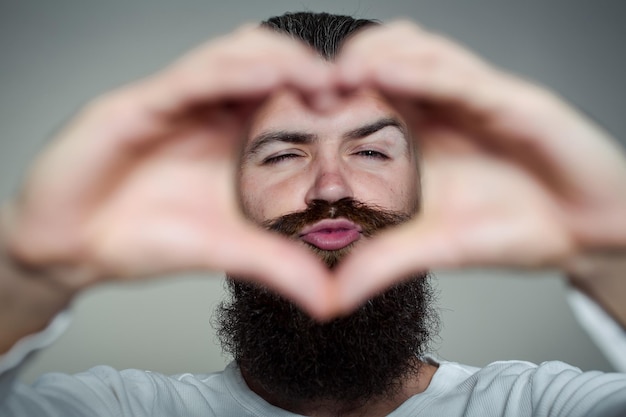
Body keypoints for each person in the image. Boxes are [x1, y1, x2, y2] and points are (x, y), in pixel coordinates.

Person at [1, 11, 626, 417]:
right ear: (227, 196)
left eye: (372, 149)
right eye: (281, 154)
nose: (330, 187)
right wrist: (28, 281)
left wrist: (613, 258)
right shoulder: (120, 409)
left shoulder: (543, 405)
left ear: (421, 188)